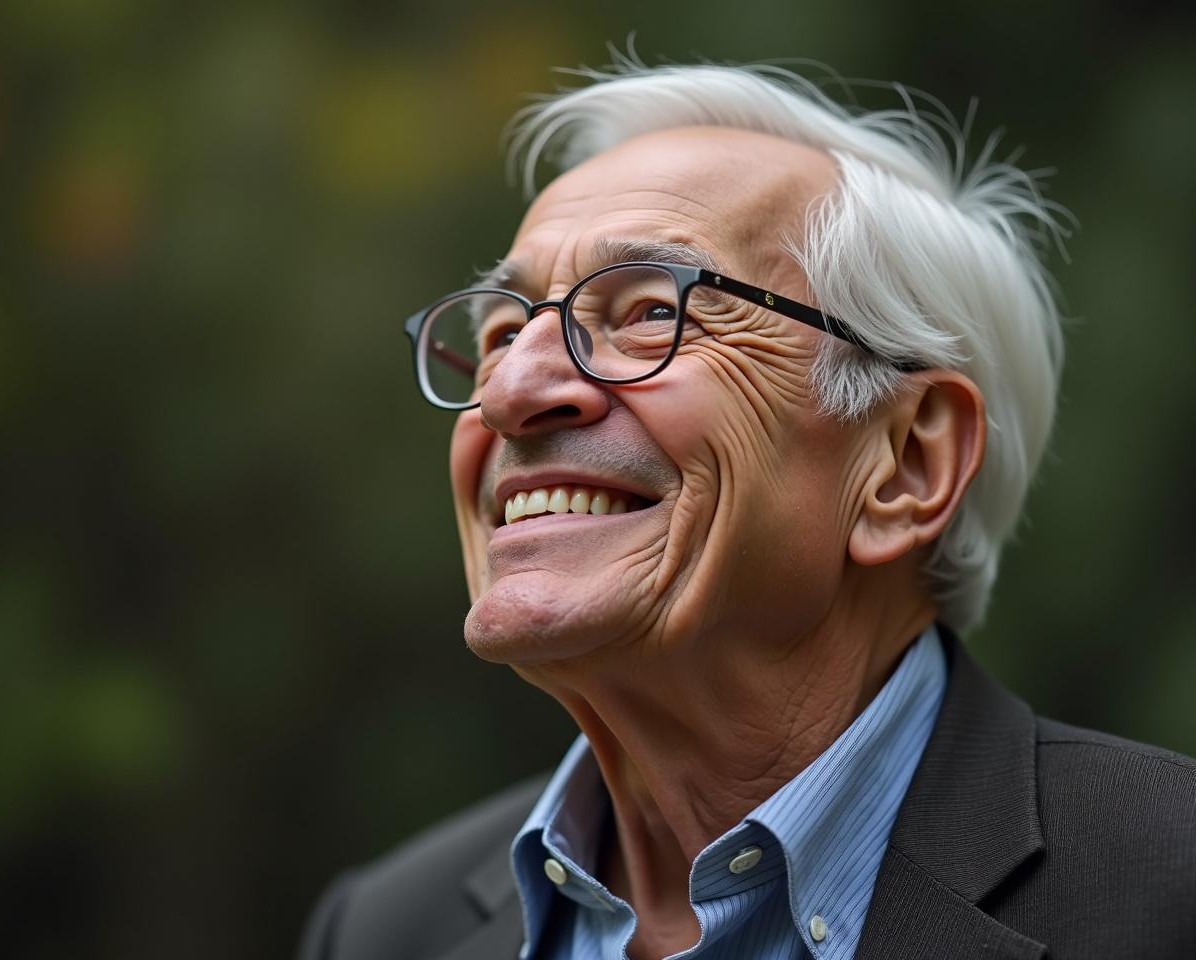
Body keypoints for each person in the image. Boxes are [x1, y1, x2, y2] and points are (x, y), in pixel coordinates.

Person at [301, 56, 1196, 960]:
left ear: (907, 463)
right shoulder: (382, 929)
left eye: (651, 310)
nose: (510, 393)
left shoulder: (1171, 885)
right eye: (500, 335)